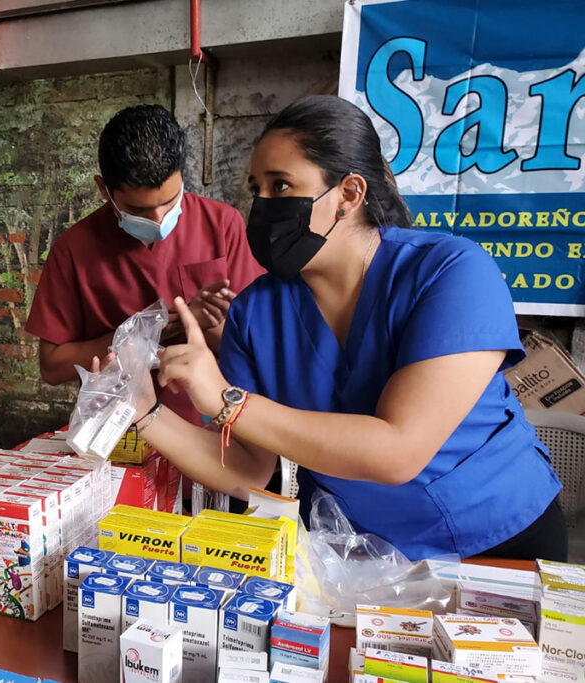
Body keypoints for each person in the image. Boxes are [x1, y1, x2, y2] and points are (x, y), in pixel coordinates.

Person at [127, 95, 566, 561]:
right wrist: (144, 412)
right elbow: (248, 467)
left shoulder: (452, 272)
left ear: (349, 194)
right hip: (360, 551)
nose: (263, 206)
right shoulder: (256, 313)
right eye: (257, 190)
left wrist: (226, 401)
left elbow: (398, 450)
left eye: (281, 186)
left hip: (497, 538)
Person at [26, 104, 264, 427]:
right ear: (103, 189)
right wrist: (141, 333)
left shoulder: (223, 225)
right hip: (120, 432)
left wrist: (203, 325)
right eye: (138, 210)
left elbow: (258, 352)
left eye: (170, 202)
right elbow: (53, 367)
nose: (158, 219)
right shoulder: (74, 250)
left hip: (213, 430)